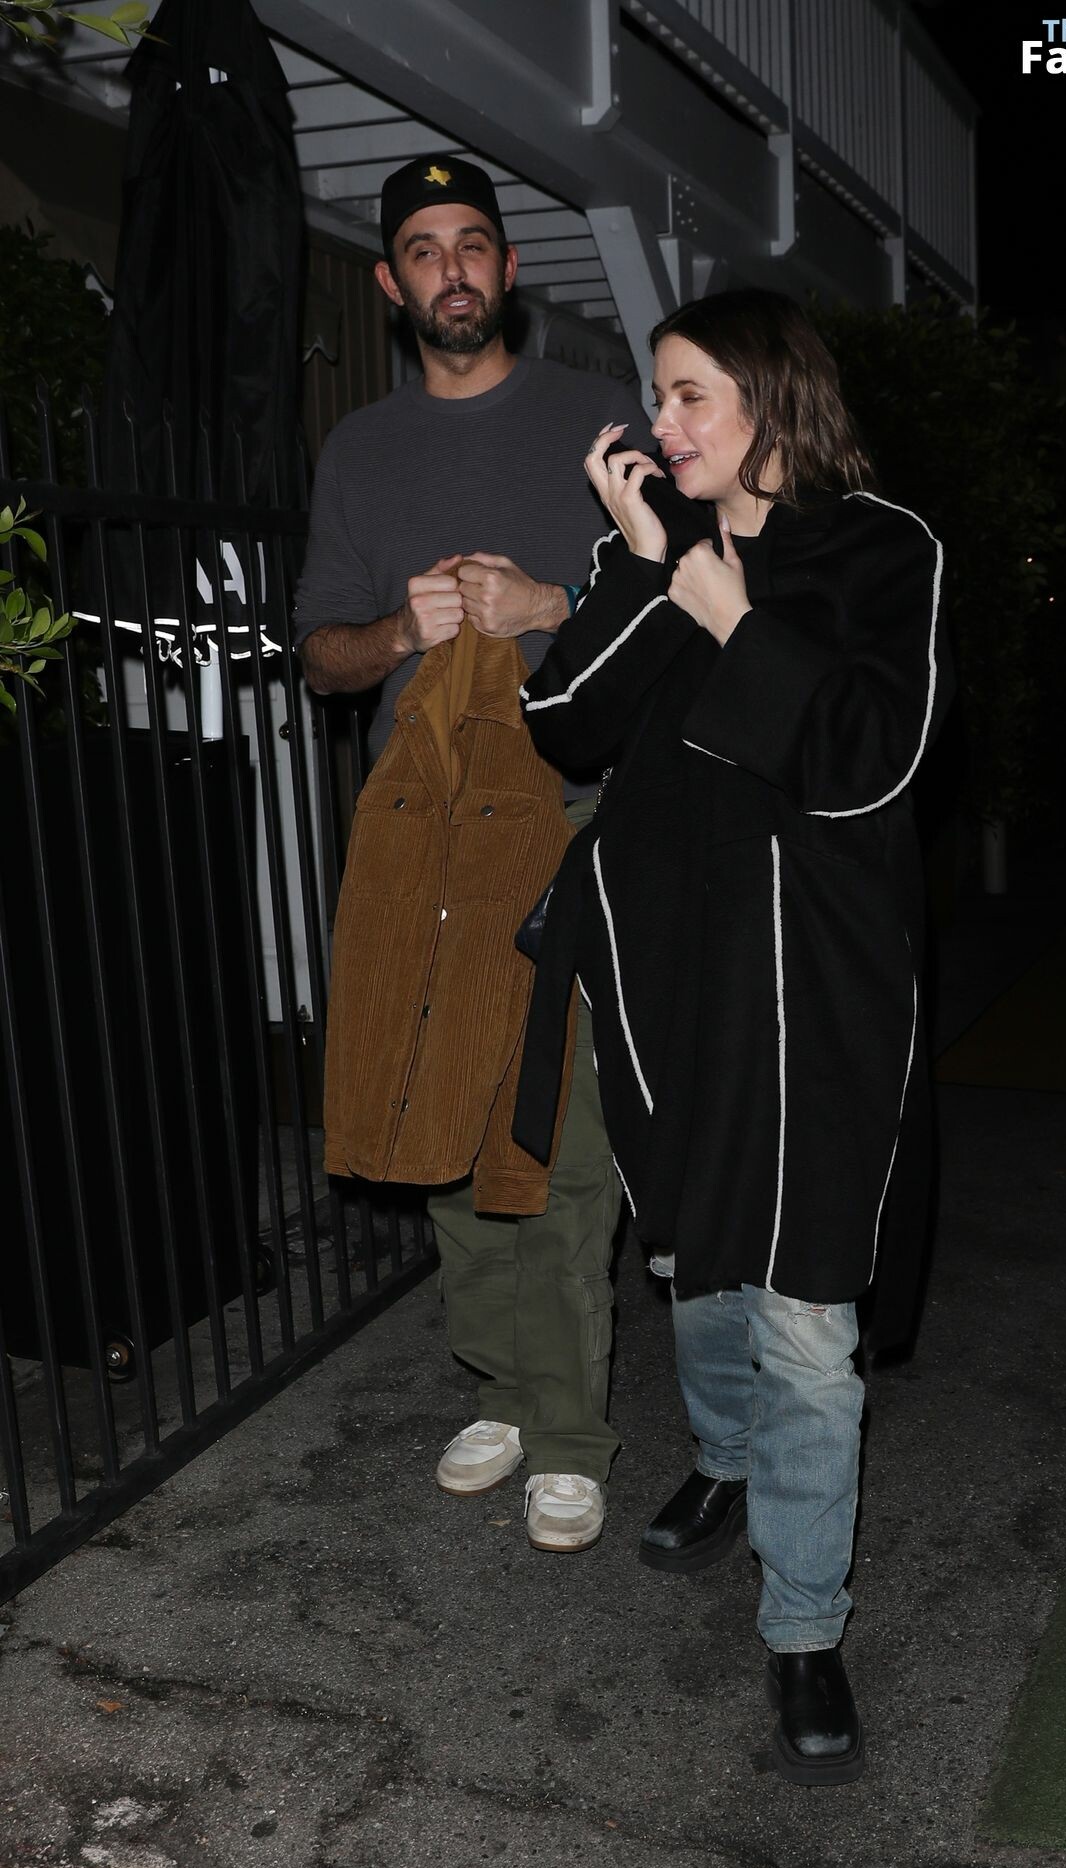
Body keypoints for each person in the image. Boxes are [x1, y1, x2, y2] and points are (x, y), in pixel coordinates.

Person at [513, 289, 947, 1778]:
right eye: (659, 393)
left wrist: (735, 620)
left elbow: (868, 764)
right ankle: (723, 1459)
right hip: (673, 980)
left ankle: (806, 1627)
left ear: (771, 398)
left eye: (690, 393)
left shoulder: (883, 548)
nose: (662, 422)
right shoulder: (655, 546)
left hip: (819, 993)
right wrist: (645, 570)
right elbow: (564, 723)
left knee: (808, 1317)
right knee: (697, 1261)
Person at [294, 154, 644, 1553]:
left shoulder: (597, 421)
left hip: (568, 811)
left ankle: (569, 1430)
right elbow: (321, 656)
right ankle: (499, 1388)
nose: (453, 268)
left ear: (508, 268)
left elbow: (680, 606)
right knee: (437, 1115)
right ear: (393, 283)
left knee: (555, 1128)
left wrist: (552, 602)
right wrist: (400, 632)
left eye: (475, 243)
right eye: (426, 250)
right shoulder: (358, 451)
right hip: (418, 831)